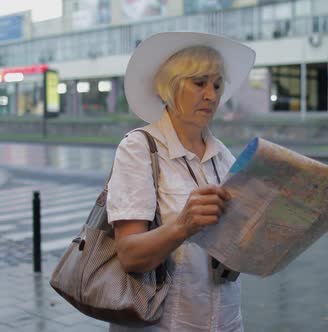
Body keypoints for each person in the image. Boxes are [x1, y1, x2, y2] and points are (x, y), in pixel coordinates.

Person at [106, 32, 256, 331]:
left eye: (217, 84)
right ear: (170, 88)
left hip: (226, 321)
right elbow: (130, 255)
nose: (212, 95)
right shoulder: (140, 148)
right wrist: (182, 226)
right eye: (199, 83)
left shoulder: (223, 155)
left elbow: (242, 242)